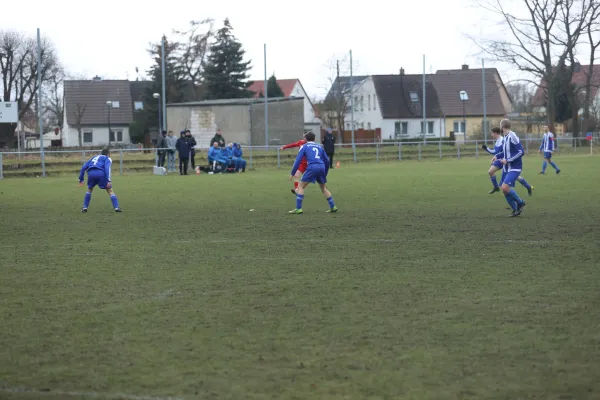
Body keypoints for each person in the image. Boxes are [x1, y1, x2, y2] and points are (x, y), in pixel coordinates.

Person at [288, 132, 338, 214]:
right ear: (314, 139)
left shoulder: (304, 146)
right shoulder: (320, 147)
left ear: (306, 139)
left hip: (312, 167)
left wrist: (292, 173)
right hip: (321, 167)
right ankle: (333, 206)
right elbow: (327, 161)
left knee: (300, 187)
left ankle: (298, 208)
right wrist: (325, 173)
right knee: (323, 188)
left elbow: (298, 160)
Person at [483, 127, 534, 196]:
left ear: (495, 133)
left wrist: (486, 149)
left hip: (505, 161)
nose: (491, 135)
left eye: (492, 133)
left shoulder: (502, 140)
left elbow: (496, 152)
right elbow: (497, 152)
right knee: (516, 177)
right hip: (502, 160)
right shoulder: (498, 140)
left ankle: (497, 188)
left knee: (491, 172)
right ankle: (528, 187)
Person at [78, 147, 122, 213]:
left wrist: (81, 179)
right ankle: (116, 207)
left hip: (91, 174)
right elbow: (107, 168)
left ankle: (85, 207)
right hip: (100, 174)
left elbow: (83, 167)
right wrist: (108, 180)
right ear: (108, 154)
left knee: (89, 190)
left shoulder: (94, 157)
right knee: (110, 190)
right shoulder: (107, 158)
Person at [499, 119, 526, 217]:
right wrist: (497, 156)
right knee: (504, 189)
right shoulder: (505, 137)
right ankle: (515, 209)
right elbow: (506, 153)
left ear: (502, 127)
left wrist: (508, 160)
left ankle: (520, 202)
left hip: (515, 168)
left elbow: (521, 152)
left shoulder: (512, 135)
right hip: (507, 168)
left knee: (505, 187)